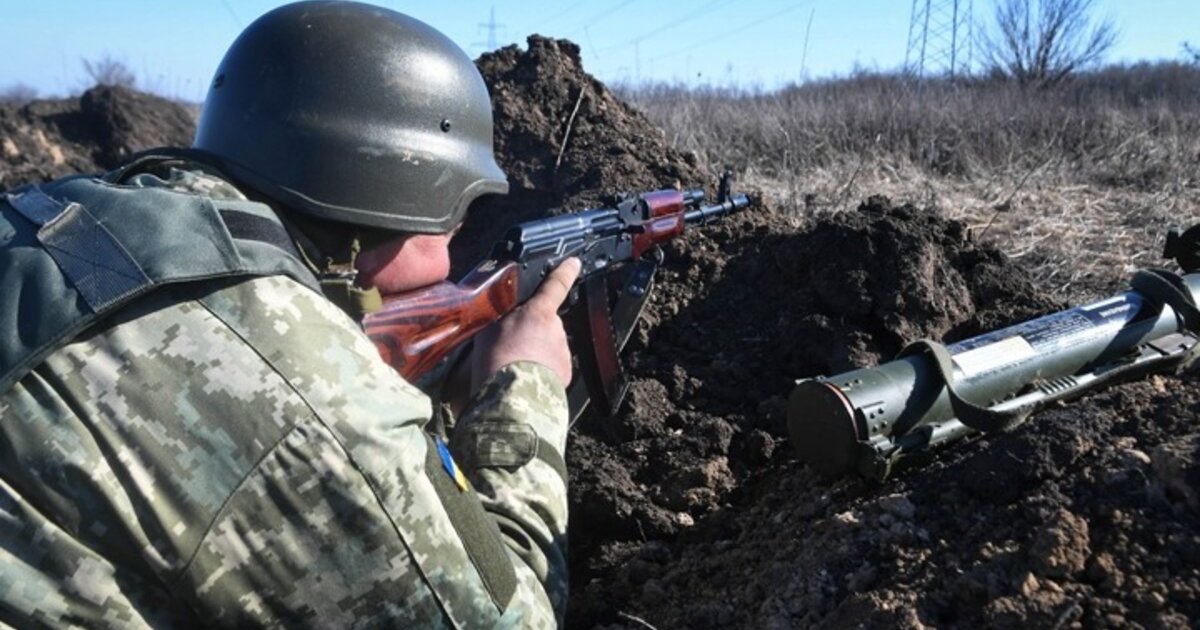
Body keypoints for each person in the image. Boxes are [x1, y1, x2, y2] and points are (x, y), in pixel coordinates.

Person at [0, 1, 579, 627]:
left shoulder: (62, 216)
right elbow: (509, 621)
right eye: (455, 217)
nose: (449, 255)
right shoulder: (309, 409)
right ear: (393, 193)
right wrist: (525, 388)